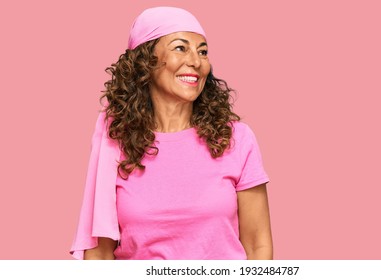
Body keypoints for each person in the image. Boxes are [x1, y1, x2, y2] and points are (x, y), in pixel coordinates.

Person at [70, 6, 272, 260]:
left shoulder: (236, 139)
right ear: (146, 61)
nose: (196, 62)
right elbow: (99, 255)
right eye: (180, 48)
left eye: (203, 52)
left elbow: (257, 245)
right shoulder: (115, 144)